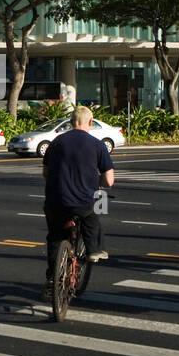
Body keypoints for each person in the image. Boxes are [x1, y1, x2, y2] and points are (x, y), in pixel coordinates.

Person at [43, 105, 115, 289]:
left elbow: (46, 172)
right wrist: (97, 181)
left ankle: (52, 278)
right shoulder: (97, 145)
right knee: (95, 211)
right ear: (90, 122)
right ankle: (93, 250)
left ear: (70, 122)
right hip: (84, 202)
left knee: (55, 238)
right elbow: (109, 180)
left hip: (55, 202)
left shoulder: (56, 143)